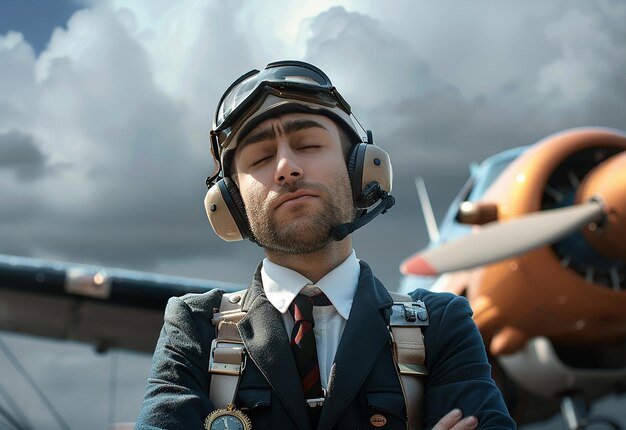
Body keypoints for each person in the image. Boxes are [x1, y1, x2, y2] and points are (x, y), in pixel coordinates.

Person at [136, 61, 515, 429]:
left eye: (309, 144)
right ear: (230, 202)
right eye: (263, 156)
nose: (286, 167)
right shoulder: (194, 328)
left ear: (361, 169)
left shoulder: (442, 325)